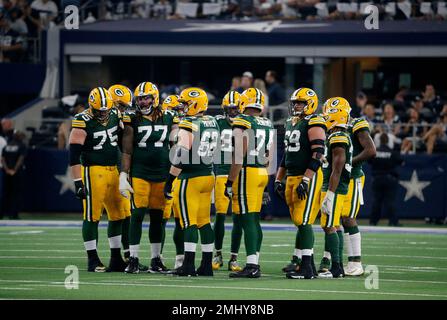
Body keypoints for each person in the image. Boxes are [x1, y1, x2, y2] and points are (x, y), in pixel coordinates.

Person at [119, 82, 178, 274]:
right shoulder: (132, 118)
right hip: (140, 173)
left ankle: (155, 259)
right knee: (136, 215)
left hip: (162, 173)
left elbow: (177, 146)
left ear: (155, 98)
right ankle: (133, 258)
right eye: (140, 98)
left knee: (157, 217)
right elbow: (127, 150)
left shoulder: (169, 116)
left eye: (146, 98)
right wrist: (123, 174)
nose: (143, 102)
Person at [69, 87, 127, 272]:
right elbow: (73, 155)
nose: (103, 113)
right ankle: (92, 259)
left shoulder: (115, 114)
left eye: (106, 110)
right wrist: (78, 182)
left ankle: (116, 258)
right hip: (93, 171)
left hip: (114, 171)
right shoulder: (82, 120)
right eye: (99, 110)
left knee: (118, 215)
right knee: (92, 217)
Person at [163, 87, 218, 277]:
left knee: (189, 222)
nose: (183, 107)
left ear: (195, 104)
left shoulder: (189, 123)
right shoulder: (212, 121)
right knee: (205, 222)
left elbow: (182, 153)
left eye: (185, 103)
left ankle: (187, 265)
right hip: (208, 175)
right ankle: (207, 265)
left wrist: (170, 179)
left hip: (190, 178)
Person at [275, 87, 325, 280]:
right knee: (299, 221)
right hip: (292, 176)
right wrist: (279, 178)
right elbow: (286, 155)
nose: (296, 105)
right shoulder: (291, 122)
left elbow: (318, 153)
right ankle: (308, 264)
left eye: (300, 102)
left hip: (307, 176)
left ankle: (306, 268)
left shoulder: (314, 121)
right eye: (295, 102)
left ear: (310, 104)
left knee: (304, 221)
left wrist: (306, 179)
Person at [224, 88, 274, 278]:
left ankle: (252, 265)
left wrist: (229, 182)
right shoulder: (267, 122)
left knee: (246, 219)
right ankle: (255, 261)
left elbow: (239, 155)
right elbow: (269, 156)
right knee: (254, 219)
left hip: (247, 172)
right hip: (262, 171)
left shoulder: (242, 121)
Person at [317, 97, 352, 279]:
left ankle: (337, 268)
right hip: (337, 185)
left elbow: (337, 168)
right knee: (335, 224)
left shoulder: (338, 136)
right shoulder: (339, 136)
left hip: (335, 187)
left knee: (328, 225)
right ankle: (337, 267)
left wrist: (329, 194)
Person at [211, 90, 243, 272]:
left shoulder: (246, 123)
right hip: (222, 172)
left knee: (238, 218)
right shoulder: (216, 122)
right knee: (220, 216)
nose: (232, 112)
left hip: (240, 174)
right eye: (229, 109)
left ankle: (234, 257)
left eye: (235, 109)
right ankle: (218, 253)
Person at [161, 94, 185, 270]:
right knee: (161, 219)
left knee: (181, 220)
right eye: (172, 110)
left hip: (183, 176)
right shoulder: (163, 125)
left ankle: (181, 260)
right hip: (164, 174)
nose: (175, 114)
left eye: (178, 110)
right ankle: (158, 257)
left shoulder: (190, 125)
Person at [369, 133, 403, 226]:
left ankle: (373, 221)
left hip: (377, 179)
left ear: (379, 140)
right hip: (389, 179)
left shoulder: (375, 152)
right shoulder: (392, 152)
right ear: (388, 141)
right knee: (390, 201)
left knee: (376, 201)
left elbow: (369, 161)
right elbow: (400, 161)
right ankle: (393, 222)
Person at [1, 130, 27, 220]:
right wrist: (14, 170)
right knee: (16, 193)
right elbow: (20, 158)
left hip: (6, 172)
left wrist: (7, 169)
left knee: (6, 192)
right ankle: (13, 214)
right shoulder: (21, 146)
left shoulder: (7, 146)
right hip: (16, 173)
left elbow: (3, 159)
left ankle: (3, 213)